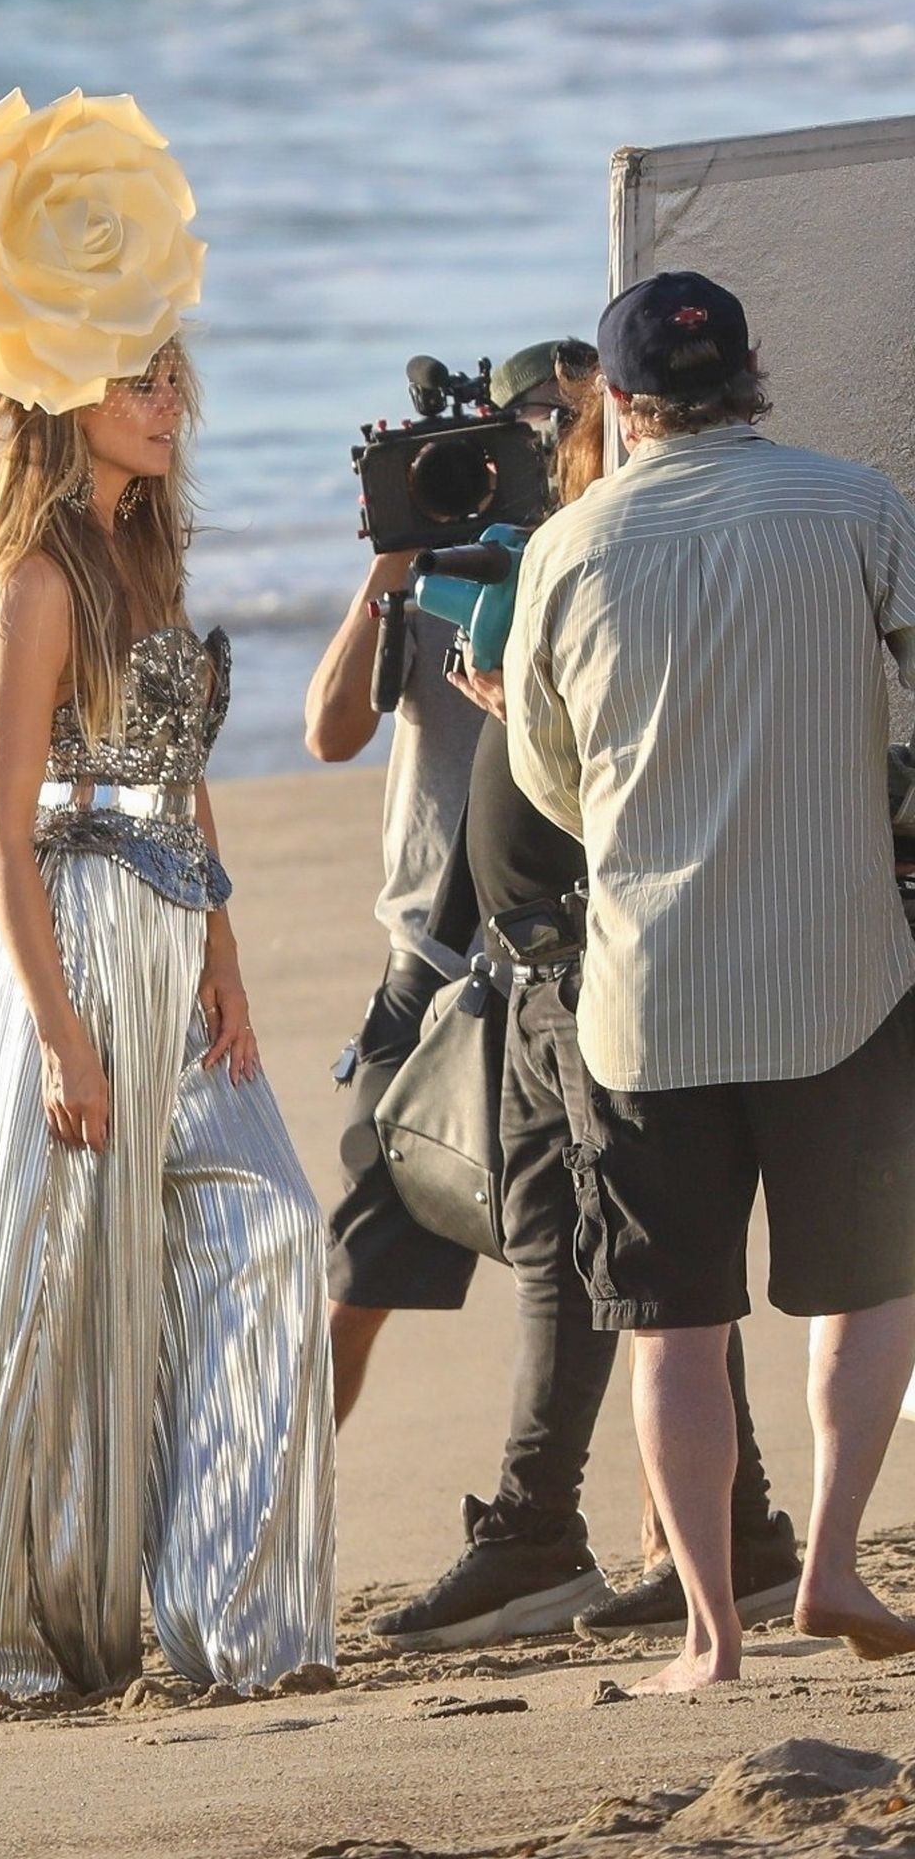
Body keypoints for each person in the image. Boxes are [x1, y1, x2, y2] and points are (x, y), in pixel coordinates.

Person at [0, 87, 335, 1704]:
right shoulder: (32, 580)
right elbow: (1, 834)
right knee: (57, 1295)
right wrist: (60, 1030)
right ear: (63, 390)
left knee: (266, 1223)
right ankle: (24, 1642)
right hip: (71, 950)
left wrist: (227, 949)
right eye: (139, 378)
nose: (169, 401)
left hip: (171, 935)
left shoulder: (148, 560)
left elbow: (183, 779)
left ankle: (234, 1619)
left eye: (173, 376)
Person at [505, 268, 915, 1692]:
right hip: (840, 972)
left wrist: (641, 819)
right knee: (867, 1287)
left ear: (619, 404)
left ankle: (707, 1634)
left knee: (673, 1325)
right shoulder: (856, 507)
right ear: (751, 376)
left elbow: (545, 774)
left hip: (647, 991)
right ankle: (834, 1561)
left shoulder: (567, 548)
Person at [370, 356, 799, 1652]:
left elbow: (650, 743)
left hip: (597, 953)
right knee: (577, 1244)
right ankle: (565, 1532)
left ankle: (630, 1532)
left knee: (645, 1248)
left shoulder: (633, 547)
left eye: (560, 418)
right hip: (532, 961)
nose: (546, 439)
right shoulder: (567, 550)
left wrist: (524, 702)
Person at [306, 342, 588, 1427]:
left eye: (574, 426)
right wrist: (393, 562)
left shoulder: (603, 572)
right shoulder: (434, 581)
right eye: (537, 431)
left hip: (564, 964)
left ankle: (684, 1519)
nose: (555, 450)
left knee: (628, 1281)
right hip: (429, 968)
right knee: (358, 1279)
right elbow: (330, 732)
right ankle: (280, 1516)